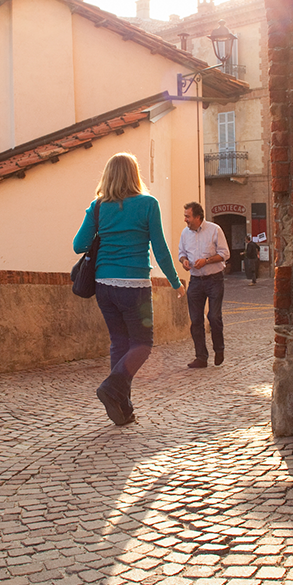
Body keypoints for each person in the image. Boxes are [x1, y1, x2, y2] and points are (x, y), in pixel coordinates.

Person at [74, 153, 185, 426]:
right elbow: (159, 247)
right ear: (135, 175)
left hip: (103, 286)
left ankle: (123, 410)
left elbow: (79, 245)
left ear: (108, 176)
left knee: (119, 343)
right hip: (134, 286)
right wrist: (174, 280)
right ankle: (112, 388)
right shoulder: (148, 204)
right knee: (143, 345)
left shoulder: (98, 206)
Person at [178, 202, 230, 368]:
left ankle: (219, 349)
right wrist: (184, 261)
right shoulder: (185, 234)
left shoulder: (215, 230)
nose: (185, 219)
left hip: (214, 279)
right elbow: (181, 254)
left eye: (188, 216)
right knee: (195, 320)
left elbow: (224, 254)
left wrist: (206, 261)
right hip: (195, 280)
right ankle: (201, 357)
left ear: (198, 217)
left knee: (214, 317)